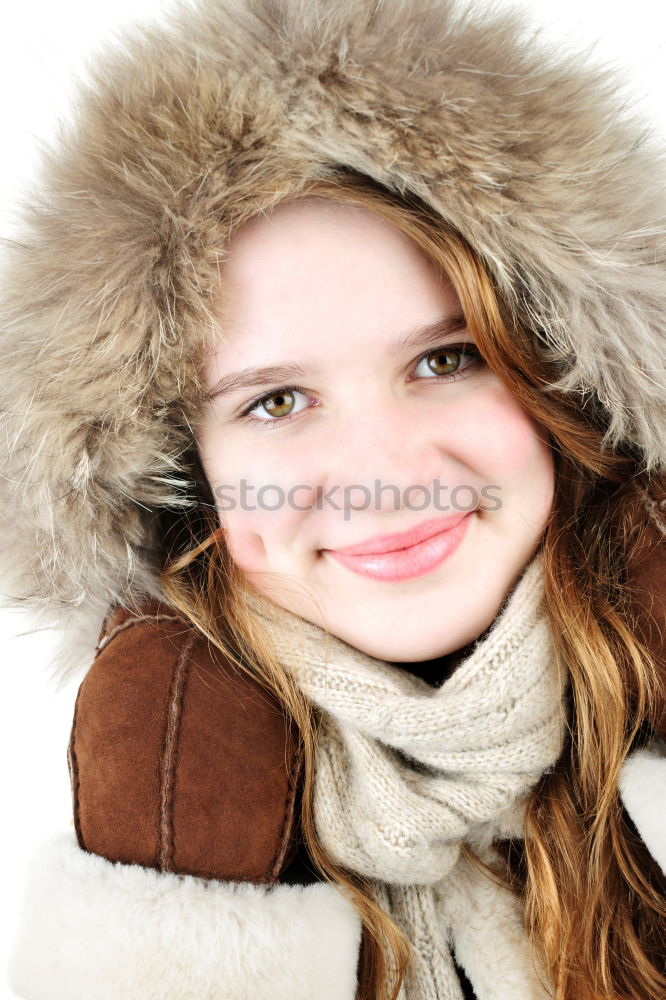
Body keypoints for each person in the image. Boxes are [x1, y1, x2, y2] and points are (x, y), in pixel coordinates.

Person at [1, 1, 664, 998]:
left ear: (567, 376)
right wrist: (171, 916)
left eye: (448, 358)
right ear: (183, 476)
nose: (378, 468)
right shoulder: (169, 777)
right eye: (275, 400)